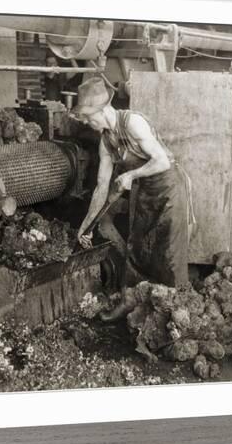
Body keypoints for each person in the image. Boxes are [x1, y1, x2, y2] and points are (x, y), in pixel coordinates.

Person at [73, 76, 195, 289]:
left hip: (169, 188)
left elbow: (162, 161)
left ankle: (173, 307)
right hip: (145, 190)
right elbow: (102, 186)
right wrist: (87, 223)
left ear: (102, 110)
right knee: (138, 248)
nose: (85, 122)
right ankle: (133, 302)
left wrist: (130, 175)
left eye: (87, 117)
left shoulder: (132, 122)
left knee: (169, 253)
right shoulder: (106, 141)